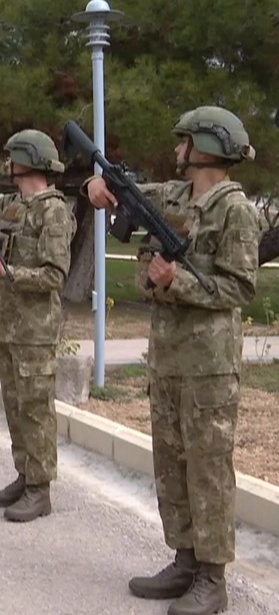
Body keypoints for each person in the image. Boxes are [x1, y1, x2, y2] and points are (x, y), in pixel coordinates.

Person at [86, 106, 259, 615]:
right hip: (167, 359)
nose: (177, 149)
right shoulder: (175, 195)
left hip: (209, 365)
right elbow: (118, 192)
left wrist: (175, 281)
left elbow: (240, 287)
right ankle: (185, 560)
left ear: (207, 146)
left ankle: (212, 578)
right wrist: (95, 187)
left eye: (185, 141)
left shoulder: (235, 210)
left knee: (207, 470)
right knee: (171, 465)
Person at [0, 129, 75, 522]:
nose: (7, 163)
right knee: (15, 407)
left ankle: (40, 488)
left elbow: (54, 275)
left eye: (13, 157)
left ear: (28, 160)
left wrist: (7, 272)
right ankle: (25, 475)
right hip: (9, 327)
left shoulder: (53, 211)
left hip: (34, 331)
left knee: (35, 411)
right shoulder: (15, 206)